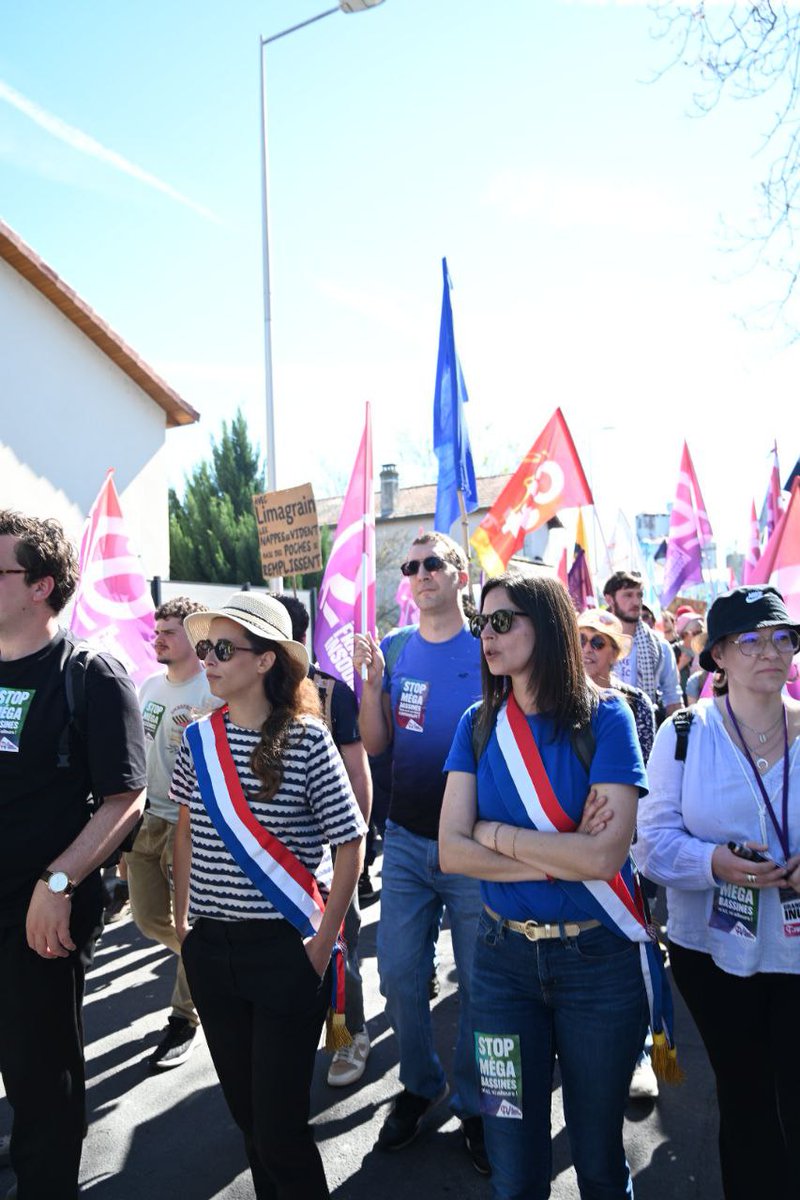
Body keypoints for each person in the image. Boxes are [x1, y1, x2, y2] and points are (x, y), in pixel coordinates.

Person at [440, 572, 658, 1200]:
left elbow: (607, 855)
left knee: (596, 1159)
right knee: (514, 1166)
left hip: (599, 968)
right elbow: (453, 851)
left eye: (503, 621)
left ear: (549, 624)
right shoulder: (476, 724)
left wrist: (496, 834)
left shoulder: (608, 716)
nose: (487, 634)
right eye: (482, 623)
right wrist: (566, 855)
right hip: (502, 968)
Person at [172, 592, 366, 1200]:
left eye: (223, 649)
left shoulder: (309, 740)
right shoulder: (197, 740)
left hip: (285, 949)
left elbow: (350, 842)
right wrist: (183, 924)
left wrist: (321, 945)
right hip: (212, 949)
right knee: (250, 1123)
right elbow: (183, 830)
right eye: (206, 647)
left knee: (281, 1128)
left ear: (265, 661)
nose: (209, 659)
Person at [634, 584, 800, 1200]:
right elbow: (649, 842)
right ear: (720, 656)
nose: (771, 651)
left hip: (797, 950)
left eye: (784, 638)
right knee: (748, 1097)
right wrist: (715, 863)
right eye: (751, 640)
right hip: (713, 954)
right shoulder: (683, 733)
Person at [0, 510, 146, 1199]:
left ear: (40, 584)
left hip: (39, 910)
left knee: (40, 1082)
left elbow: (126, 799)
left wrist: (59, 880)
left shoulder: (91, 674)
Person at [353, 531, 487, 1171]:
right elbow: (377, 746)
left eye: (433, 563)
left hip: (475, 844)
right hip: (405, 841)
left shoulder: (489, 648)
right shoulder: (396, 648)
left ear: (459, 573)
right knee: (399, 976)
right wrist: (373, 686)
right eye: (410, 567)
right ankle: (421, 1084)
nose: (420, 573)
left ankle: (472, 1100)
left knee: (479, 983)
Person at [274, 593, 373, 1087]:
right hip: (266, 863)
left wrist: (350, 854)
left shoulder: (334, 693)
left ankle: (348, 1036)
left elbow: (359, 778)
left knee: (338, 952)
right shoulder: (251, 694)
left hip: (327, 861)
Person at [127, 596, 219, 1069]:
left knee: (189, 921)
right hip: (145, 821)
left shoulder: (212, 689)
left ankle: (185, 1016)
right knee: (146, 919)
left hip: (191, 824)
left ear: (194, 637)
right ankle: (211, 962)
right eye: (157, 628)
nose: (157, 636)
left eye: (168, 630)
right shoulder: (146, 686)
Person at [603, 570, 682, 721]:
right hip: (604, 729)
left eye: (639, 595)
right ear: (609, 599)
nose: (636, 601)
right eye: (628, 595)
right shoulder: (596, 643)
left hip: (645, 732)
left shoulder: (660, 647)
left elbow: (672, 697)